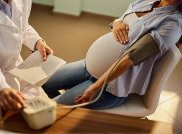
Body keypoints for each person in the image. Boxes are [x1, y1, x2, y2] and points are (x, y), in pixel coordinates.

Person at [42, 0, 182, 110]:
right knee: (43, 83)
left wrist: (95, 87)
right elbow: (122, 20)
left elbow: (131, 58)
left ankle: (64, 116)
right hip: (88, 67)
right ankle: (66, 112)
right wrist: (116, 22)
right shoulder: (148, 1)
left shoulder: (174, 24)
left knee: (48, 109)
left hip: (108, 88)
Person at [0, 0, 53, 111]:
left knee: (44, 108)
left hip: (16, 69)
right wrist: (1, 88)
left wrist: (37, 42)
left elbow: (22, 25)